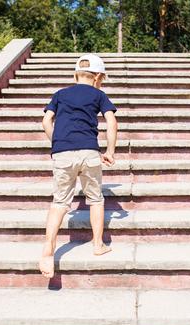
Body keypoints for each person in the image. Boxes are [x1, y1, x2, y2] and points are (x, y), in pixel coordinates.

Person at [39, 54, 118, 279]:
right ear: (98, 77)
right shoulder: (99, 94)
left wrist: (58, 141)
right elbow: (111, 121)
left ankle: (48, 248)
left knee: (60, 202)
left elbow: (46, 121)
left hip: (62, 152)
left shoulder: (60, 94)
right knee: (95, 199)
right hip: (89, 151)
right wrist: (110, 152)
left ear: (76, 75)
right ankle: (98, 245)